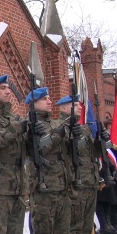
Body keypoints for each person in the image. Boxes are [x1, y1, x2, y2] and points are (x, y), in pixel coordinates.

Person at [0, 75, 45, 234]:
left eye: (8, 88)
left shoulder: (15, 118)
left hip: (17, 188)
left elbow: (27, 152)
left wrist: (33, 135)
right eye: (3, 88)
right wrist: (16, 129)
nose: (8, 91)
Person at [25, 87, 74, 234]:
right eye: (44, 99)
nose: (49, 101)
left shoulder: (55, 123)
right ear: (33, 103)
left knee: (63, 229)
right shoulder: (29, 125)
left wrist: (74, 138)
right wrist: (56, 136)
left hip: (62, 185)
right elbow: (38, 150)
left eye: (49, 98)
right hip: (44, 186)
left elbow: (68, 152)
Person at [55, 95, 101, 233]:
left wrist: (100, 142)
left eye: (79, 105)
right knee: (75, 225)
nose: (80, 107)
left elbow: (93, 154)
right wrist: (70, 137)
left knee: (87, 225)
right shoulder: (58, 127)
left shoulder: (85, 129)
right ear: (63, 108)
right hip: (75, 183)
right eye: (75, 105)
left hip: (90, 181)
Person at [96, 119, 117, 234]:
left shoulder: (108, 140)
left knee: (110, 200)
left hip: (109, 172)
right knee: (102, 200)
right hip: (100, 173)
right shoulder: (99, 139)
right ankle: (104, 223)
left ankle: (108, 222)